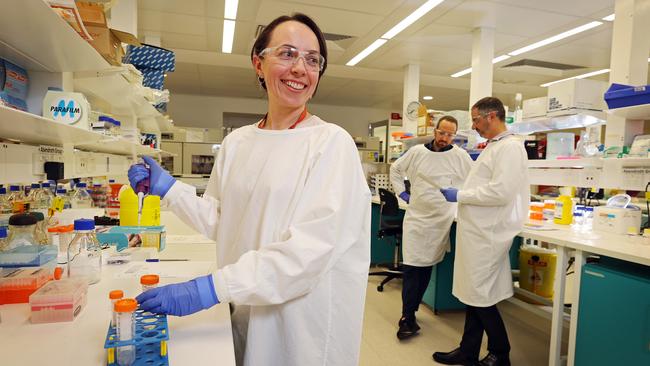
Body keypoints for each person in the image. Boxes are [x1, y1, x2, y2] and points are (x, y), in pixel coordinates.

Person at [128, 13, 371, 366]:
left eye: (312, 59)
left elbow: (308, 253)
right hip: (242, 304)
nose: (300, 68)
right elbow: (224, 220)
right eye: (287, 54)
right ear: (259, 63)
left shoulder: (331, 143)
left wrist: (209, 288)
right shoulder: (237, 142)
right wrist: (168, 190)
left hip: (298, 327)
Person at [435, 97, 529, 366]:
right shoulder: (494, 146)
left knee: (480, 296)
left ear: (491, 116)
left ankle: (501, 352)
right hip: (477, 231)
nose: (473, 125)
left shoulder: (510, 148)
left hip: (489, 233)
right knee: (472, 293)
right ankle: (468, 350)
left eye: (475, 119)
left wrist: (461, 195)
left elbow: (501, 191)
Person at [389, 116, 472, 340]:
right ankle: (407, 316)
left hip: (441, 219)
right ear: (435, 131)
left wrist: (460, 196)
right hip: (416, 216)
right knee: (412, 266)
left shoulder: (460, 156)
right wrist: (402, 193)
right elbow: (396, 170)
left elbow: (474, 182)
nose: (445, 138)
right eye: (442, 133)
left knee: (425, 266)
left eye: (450, 134)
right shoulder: (417, 152)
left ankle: (411, 313)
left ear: (455, 135)